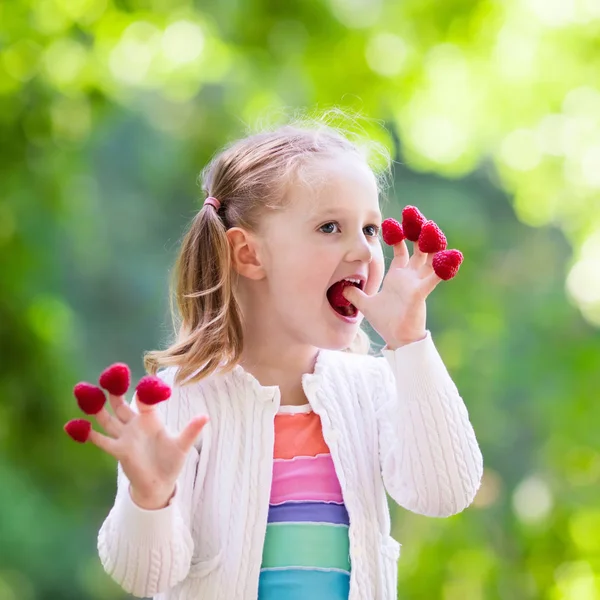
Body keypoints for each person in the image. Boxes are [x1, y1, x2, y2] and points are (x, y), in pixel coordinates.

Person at [89, 118, 483, 600]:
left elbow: (444, 492)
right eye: (330, 227)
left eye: (371, 228)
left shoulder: (372, 387)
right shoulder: (179, 401)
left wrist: (410, 342)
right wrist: (150, 499)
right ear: (249, 254)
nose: (363, 249)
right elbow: (144, 576)